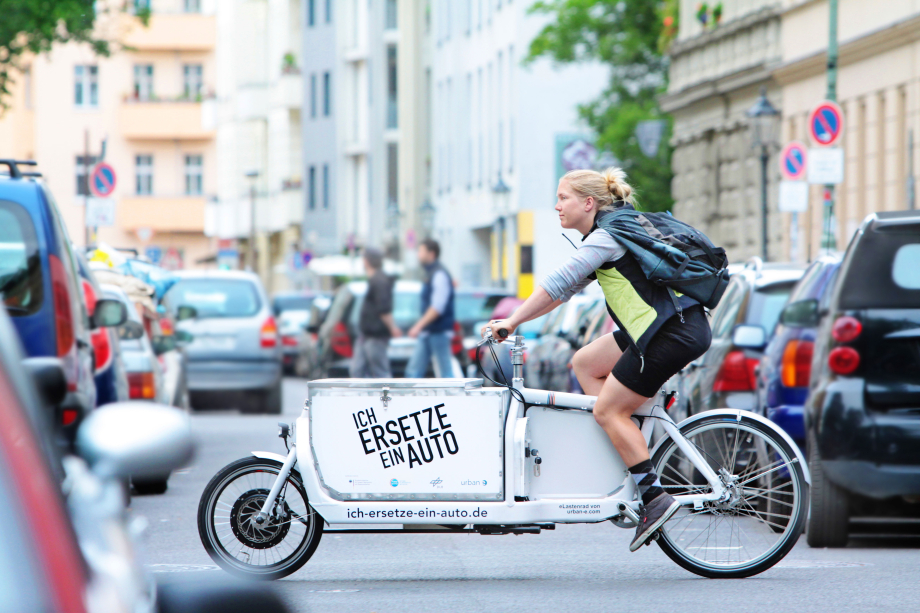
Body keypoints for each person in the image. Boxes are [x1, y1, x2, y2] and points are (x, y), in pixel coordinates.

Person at [482, 168, 712, 551]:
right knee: (585, 363)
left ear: (589, 203)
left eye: (563, 198)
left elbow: (557, 281)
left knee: (608, 411)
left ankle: (653, 496)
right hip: (661, 327)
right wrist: (517, 320)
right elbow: (564, 292)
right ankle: (633, 446)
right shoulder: (609, 232)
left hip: (670, 332)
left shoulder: (607, 237)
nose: (556, 206)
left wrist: (512, 320)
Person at [405, 238, 456, 378]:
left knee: (445, 373)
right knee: (413, 371)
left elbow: (437, 307)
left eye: (421, 251)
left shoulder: (439, 274)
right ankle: (409, 398)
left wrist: (418, 326)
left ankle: (452, 398)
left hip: (438, 331)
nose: (418, 255)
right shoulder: (431, 273)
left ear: (431, 254)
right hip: (429, 331)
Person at [350, 248, 401, 378]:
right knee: (357, 371)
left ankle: (387, 397)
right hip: (367, 334)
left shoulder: (379, 281)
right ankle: (362, 397)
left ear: (367, 261)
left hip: (375, 335)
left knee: (380, 372)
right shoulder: (376, 279)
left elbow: (384, 309)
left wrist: (393, 327)